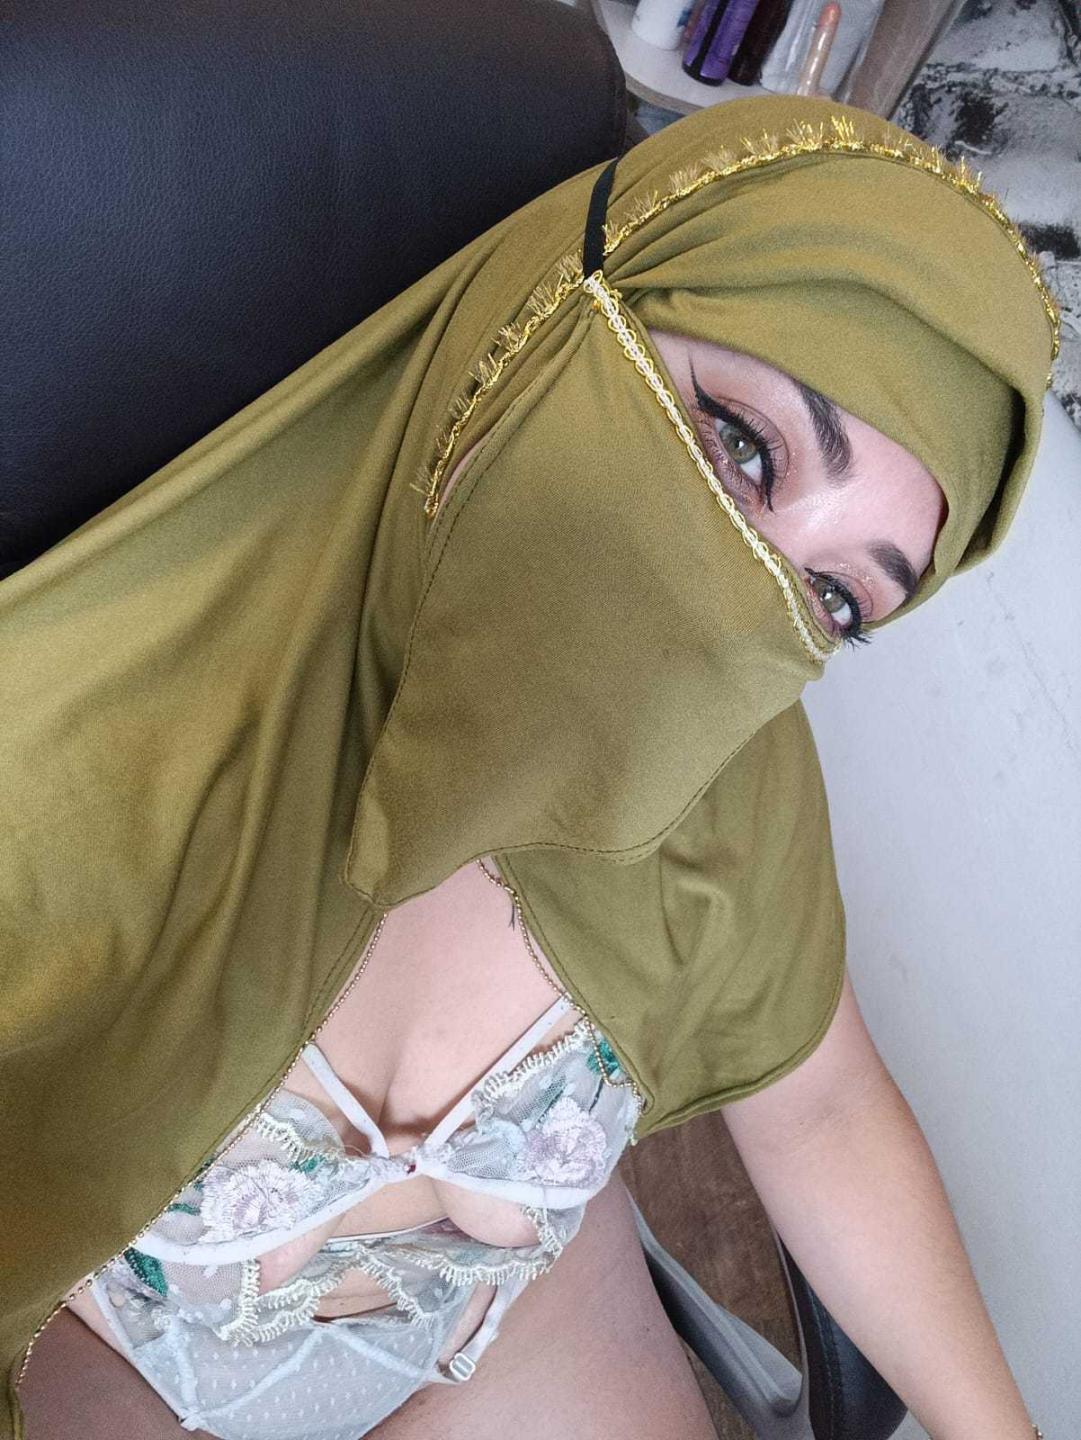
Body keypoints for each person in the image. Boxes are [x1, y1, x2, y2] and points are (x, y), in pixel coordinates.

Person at [3, 94, 1057, 1439]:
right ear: (549, 313)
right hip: (98, 1349)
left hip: (506, 1339)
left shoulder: (736, 769)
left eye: (834, 597)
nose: (743, 613)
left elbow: (822, 1106)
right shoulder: (78, 745)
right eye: (741, 447)